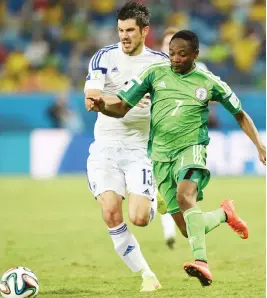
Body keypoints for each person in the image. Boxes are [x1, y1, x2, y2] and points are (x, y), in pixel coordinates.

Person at [87, 30, 266, 287]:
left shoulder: (208, 81)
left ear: (195, 55)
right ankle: (225, 214)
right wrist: (101, 105)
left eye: (182, 54)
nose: (175, 58)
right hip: (160, 157)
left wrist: (260, 145)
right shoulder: (154, 73)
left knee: (185, 197)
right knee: (187, 228)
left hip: (191, 149)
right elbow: (123, 106)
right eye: (172, 53)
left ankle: (202, 262)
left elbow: (239, 113)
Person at [84, 2, 168, 292]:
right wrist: (117, 100)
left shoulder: (160, 64)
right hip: (105, 148)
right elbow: (92, 97)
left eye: (130, 30)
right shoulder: (102, 58)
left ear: (145, 31)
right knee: (110, 212)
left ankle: (157, 197)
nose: (124, 35)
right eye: (120, 30)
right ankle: (147, 275)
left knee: (139, 218)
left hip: (139, 149)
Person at [159, 27, 218, 249]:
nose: (169, 52)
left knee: (177, 195)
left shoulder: (199, 70)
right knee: (164, 198)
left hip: (187, 139)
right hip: (156, 140)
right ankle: (170, 232)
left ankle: (195, 251)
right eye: (166, 47)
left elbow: (213, 95)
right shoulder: (156, 70)